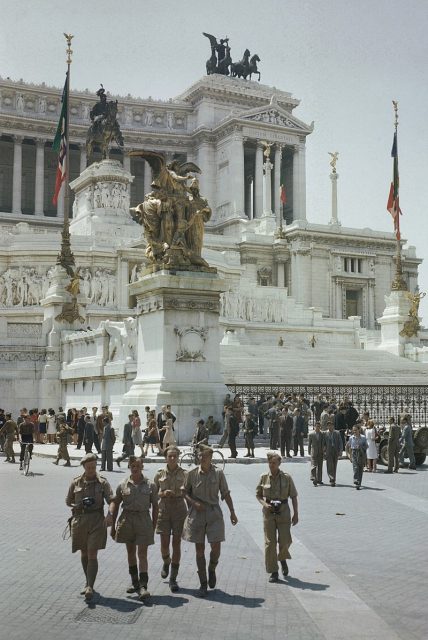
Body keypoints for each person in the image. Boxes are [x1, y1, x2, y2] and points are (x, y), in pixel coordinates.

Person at [182, 444, 238, 597]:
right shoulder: (192, 473)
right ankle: (203, 584)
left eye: (205, 456)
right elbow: (184, 492)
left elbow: (225, 494)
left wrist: (232, 512)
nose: (202, 458)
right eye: (200, 456)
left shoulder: (219, 474)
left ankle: (212, 568)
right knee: (199, 550)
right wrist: (193, 504)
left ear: (211, 458)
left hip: (214, 513)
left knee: (216, 547)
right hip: (197, 514)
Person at [66, 453, 114, 600]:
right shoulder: (76, 483)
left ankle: (90, 587)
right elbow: (68, 501)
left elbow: (111, 500)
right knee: (84, 553)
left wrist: (110, 514)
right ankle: (87, 582)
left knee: (92, 553)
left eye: (93, 467)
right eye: (89, 467)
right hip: (80, 521)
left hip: (97, 520)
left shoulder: (103, 483)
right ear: (84, 467)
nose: (92, 470)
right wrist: (77, 505)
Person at [110, 456, 158, 600]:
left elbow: (156, 506)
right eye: (132, 466)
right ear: (129, 467)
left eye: (138, 465)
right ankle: (134, 582)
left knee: (142, 553)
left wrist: (154, 526)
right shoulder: (122, 484)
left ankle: (143, 586)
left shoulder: (151, 485)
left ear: (142, 466)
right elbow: (116, 504)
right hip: (127, 520)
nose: (135, 468)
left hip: (143, 520)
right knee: (130, 552)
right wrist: (112, 527)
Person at [256, 452, 299, 582]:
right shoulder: (263, 477)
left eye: (274, 463)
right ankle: (274, 571)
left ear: (279, 464)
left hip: (284, 511)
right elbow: (258, 495)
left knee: (285, 540)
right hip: (269, 513)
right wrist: (265, 504)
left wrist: (296, 514)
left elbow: (293, 496)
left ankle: (282, 558)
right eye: (269, 463)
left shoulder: (286, 477)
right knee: (270, 543)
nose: (271, 465)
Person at [153, 447, 187, 592]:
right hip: (164, 510)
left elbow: (189, 493)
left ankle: (173, 578)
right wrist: (163, 493)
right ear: (165, 458)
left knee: (177, 543)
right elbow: (154, 493)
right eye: (170, 456)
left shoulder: (185, 474)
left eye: (175, 456)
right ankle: (166, 561)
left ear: (178, 457)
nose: (172, 458)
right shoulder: (159, 474)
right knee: (165, 543)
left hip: (179, 509)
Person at [345, 425, 368, 489]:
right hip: (354, 453)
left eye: (355, 430)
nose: (354, 431)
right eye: (353, 430)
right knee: (355, 468)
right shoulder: (351, 438)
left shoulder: (363, 437)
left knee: (360, 468)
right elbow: (347, 446)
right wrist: (349, 455)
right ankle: (356, 481)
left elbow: (366, 446)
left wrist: (361, 447)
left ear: (359, 430)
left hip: (361, 454)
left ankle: (359, 483)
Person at [324, 420, 343, 486]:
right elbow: (324, 443)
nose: (330, 426)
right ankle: (331, 479)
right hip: (328, 451)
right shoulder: (325, 433)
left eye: (331, 425)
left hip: (335, 451)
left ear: (333, 426)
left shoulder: (337, 433)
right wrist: (324, 451)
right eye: (329, 425)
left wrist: (340, 451)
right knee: (329, 465)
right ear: (327, 426)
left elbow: (340, 442)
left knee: (334, 465)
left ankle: (333, 478)